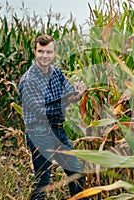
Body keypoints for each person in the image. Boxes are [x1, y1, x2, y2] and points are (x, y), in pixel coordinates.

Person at [19, 34, 86, 200]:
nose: (45, 56)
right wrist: (66, 99)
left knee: (76, 173)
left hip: (57, 130)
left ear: (54, 53)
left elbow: (70, 95)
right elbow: (41, 111)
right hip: (39, 133)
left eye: (48, 52)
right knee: (43, 183)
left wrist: (77, 94)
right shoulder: (29, 80)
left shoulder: (57, 73)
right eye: (41, 51)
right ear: (35, 52)